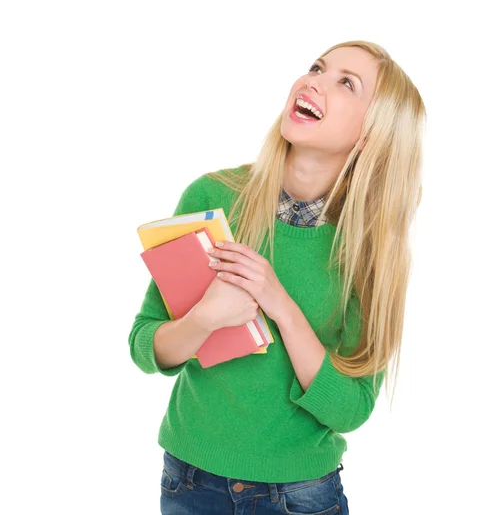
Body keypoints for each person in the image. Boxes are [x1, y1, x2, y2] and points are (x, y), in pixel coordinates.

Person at [128, 40, 426, 514]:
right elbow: (145, 346)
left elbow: (350, 410)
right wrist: (204, 318)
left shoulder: (370, 251)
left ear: (371, 135)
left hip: (300, 496)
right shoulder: (211, 197)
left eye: (346, 83)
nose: (314, 81)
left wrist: (279, 304)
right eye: (317, 67)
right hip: (189, 481)